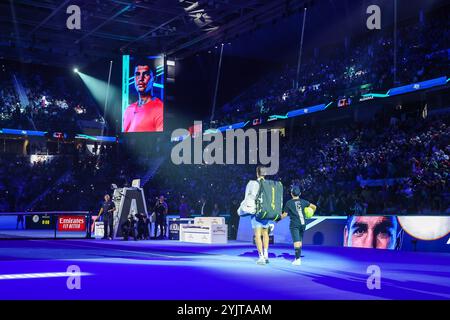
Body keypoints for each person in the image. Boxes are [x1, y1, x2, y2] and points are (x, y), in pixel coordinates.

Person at [122, 59, 163, 132]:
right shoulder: (129, 110)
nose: (141, 78)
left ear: (154, 78)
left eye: (146, 74)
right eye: (137, 74)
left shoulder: (160, 108)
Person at [244, 166, 273, 265]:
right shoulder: (270, 184)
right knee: (265, 233)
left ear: (257, 173)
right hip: (266, 212)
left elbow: (248, 198)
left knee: (257, 234)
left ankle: (261, 257)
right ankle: (266, 255)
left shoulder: (253, 184)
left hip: (256, 212)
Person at [281, 185, 317, 266]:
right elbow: (314, 206)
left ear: (291, 193)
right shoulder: (304, 201)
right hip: (303, 223)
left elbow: (284, 215)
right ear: (299, 194)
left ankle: (297, 259)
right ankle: (298, 257)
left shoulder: (289, 203)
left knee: (296, 241)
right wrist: (311, 213)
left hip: (295, 224)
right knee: (299, 241)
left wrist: (277, 219)